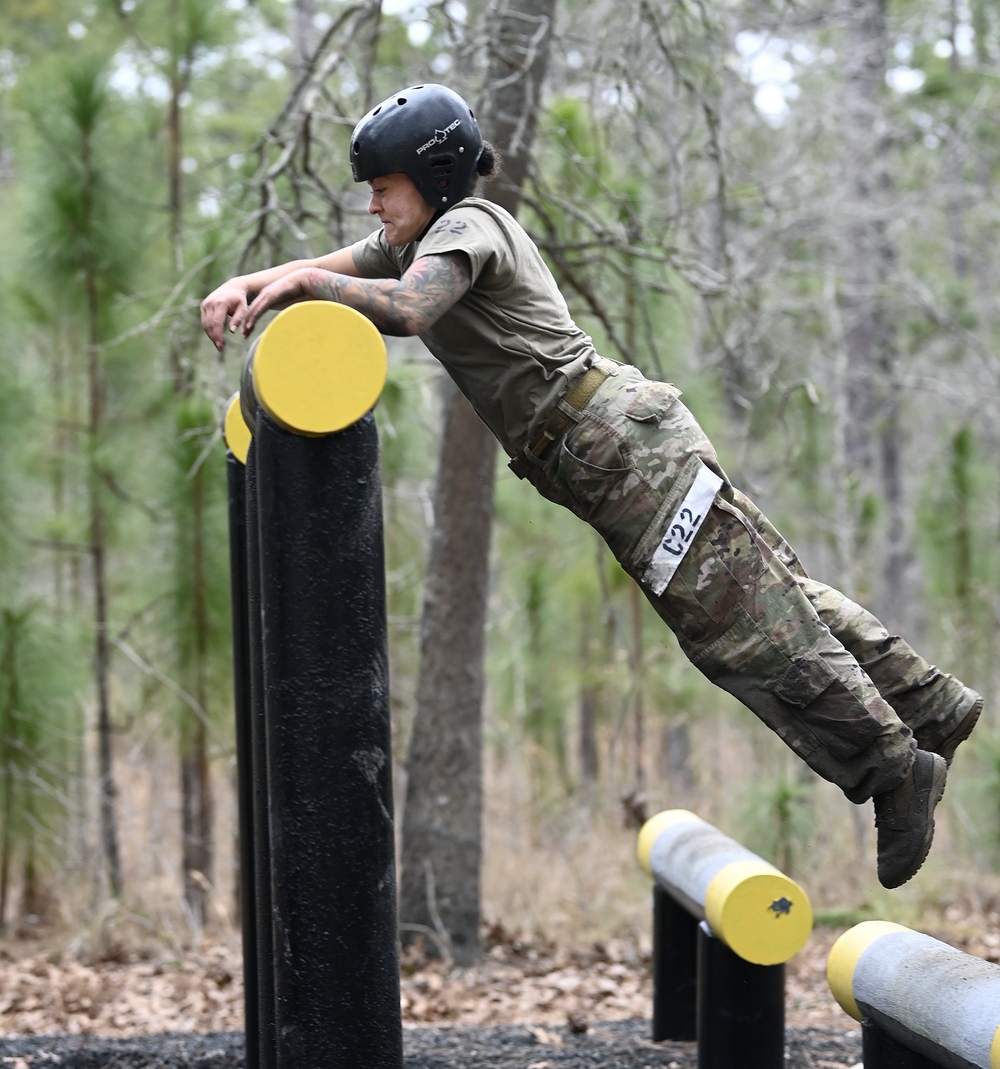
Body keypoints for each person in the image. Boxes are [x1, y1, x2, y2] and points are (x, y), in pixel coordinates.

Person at [201, 83, 982, 890]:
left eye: (383, 187)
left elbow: (409, 310)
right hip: (612, 451)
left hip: (616, 449)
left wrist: (298, 289)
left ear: (431, 180)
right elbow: (322, 268)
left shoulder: (465, 228)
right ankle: (929, 706)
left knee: (742, 630)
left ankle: (894, 772)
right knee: (775, 594)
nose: (372, 204)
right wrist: (251, 282)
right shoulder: (410, 239)